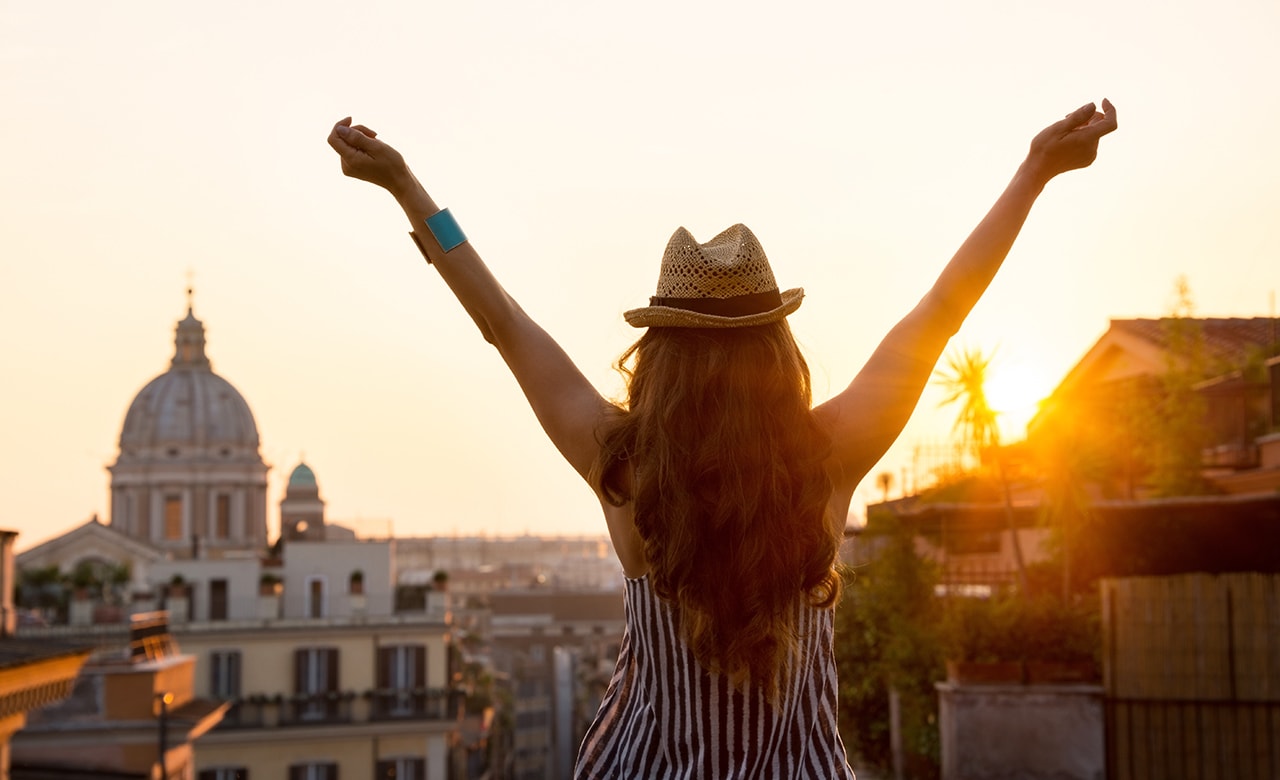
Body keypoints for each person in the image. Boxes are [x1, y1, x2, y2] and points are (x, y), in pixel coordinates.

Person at [328, 99, 1117, 778]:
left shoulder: (624, 467)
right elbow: (942, 309)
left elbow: (500, 321)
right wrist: (1033, 174)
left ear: (661, 352)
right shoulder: (826, 459)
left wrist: (407, 189)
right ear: (778, 351)